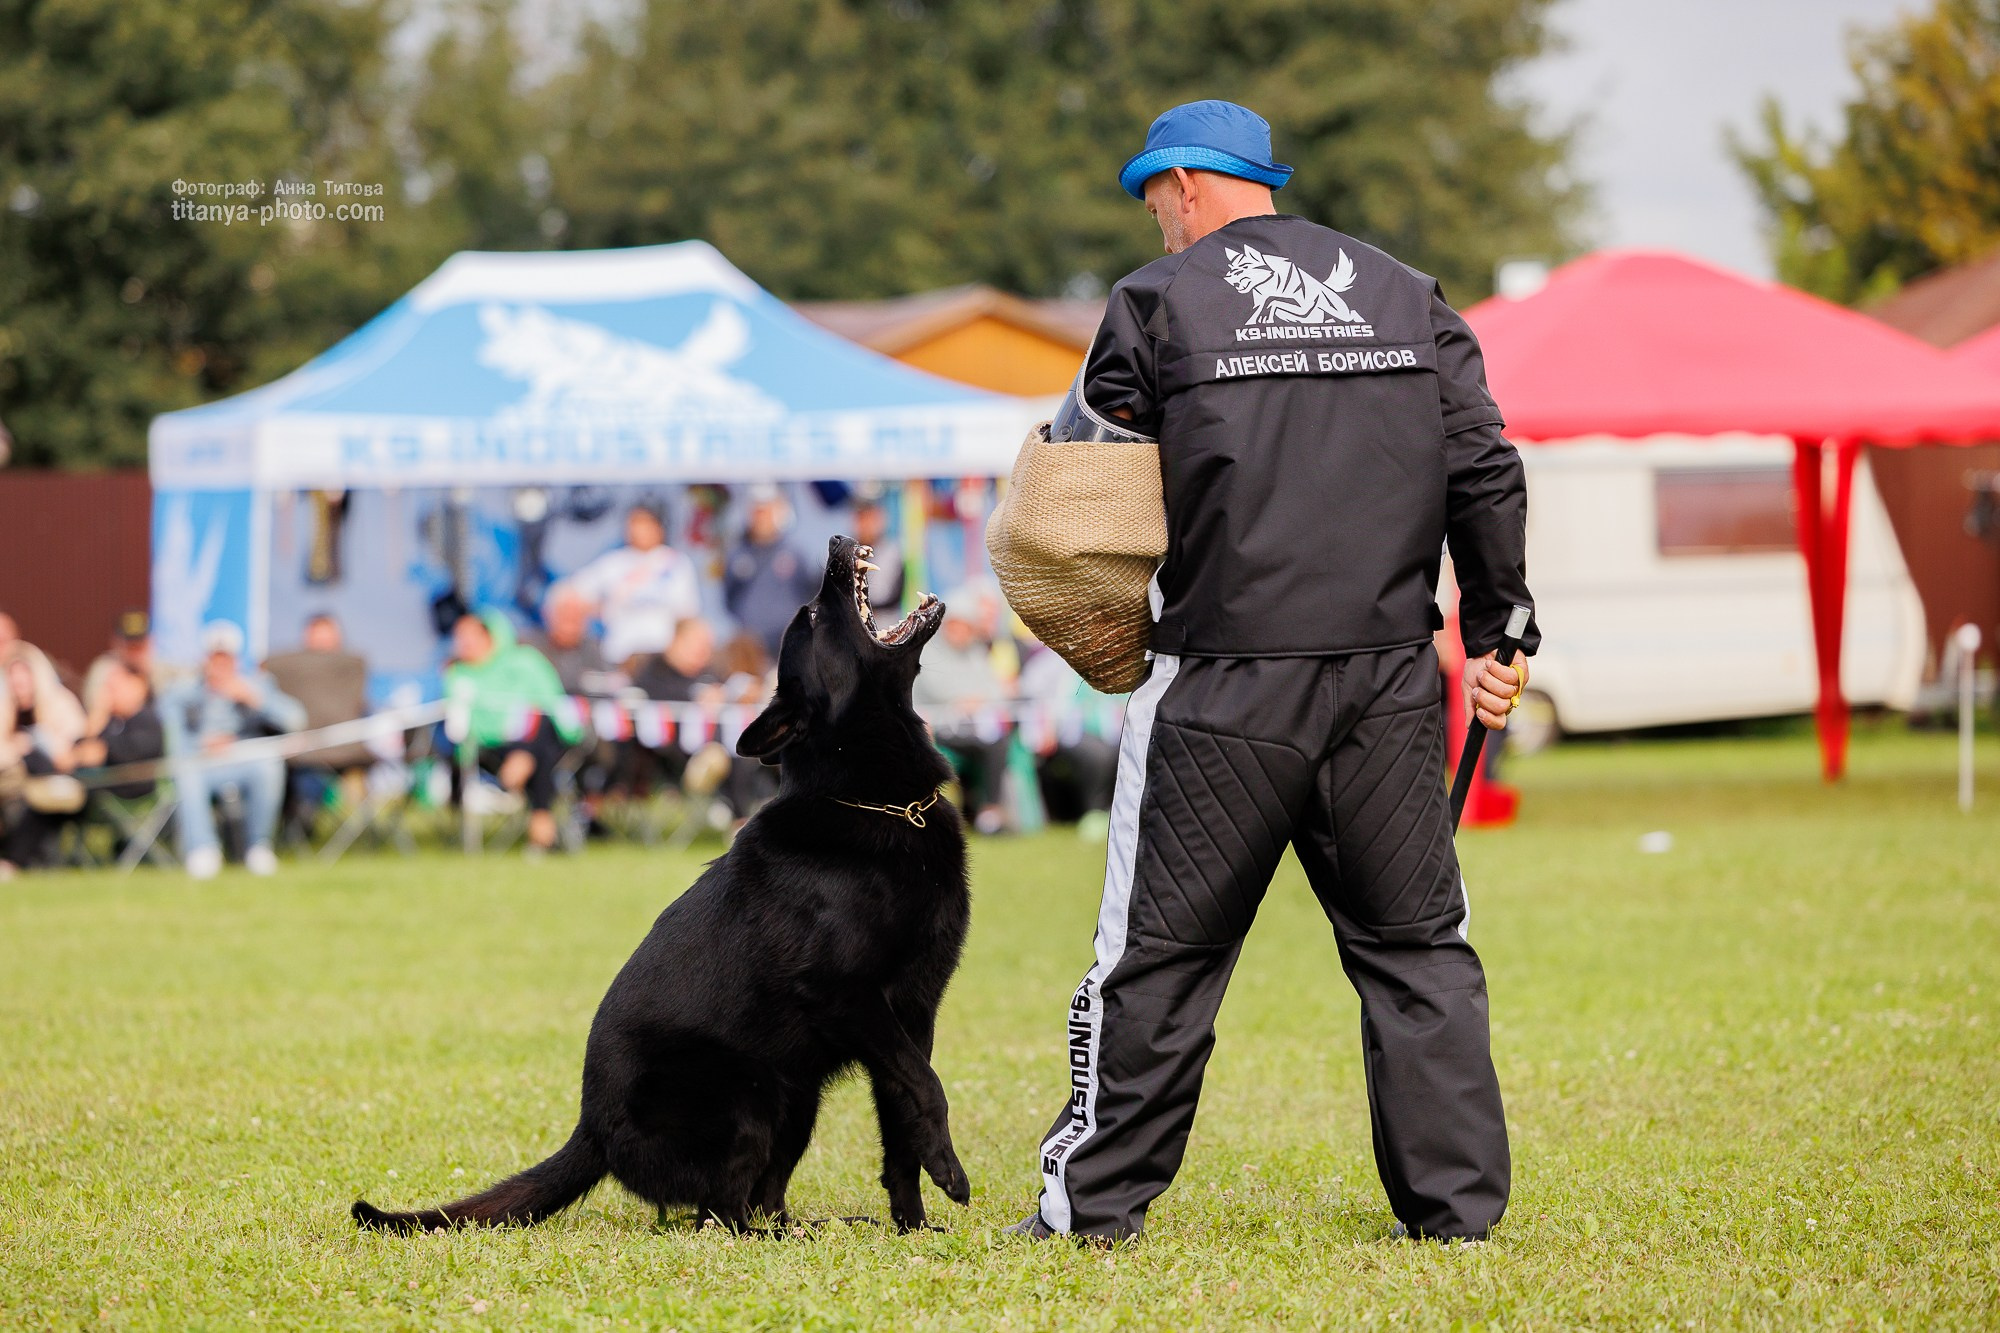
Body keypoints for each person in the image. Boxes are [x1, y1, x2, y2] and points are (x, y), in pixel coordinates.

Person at [1011, 101, 1536, 1246]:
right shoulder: (1408, 294)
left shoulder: (1153, 302)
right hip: (1387, 683)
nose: (1154, 221)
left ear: (1187, 184)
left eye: (1153, 198)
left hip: (1222, 686)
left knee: (1154, 958)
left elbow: (1071, 492)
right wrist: (1499, 631)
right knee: (1416, 950)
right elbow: (1485, 467)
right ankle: (1455, 1216)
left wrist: (1097, 618)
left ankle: (1089, 1208)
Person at [160, 621, 307, 879]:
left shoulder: (256, 685)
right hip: (201, 763)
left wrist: (254, 699)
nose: (219, 665)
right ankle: (203, 849)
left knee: (268, 764)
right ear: (205, 660)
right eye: (214, 658)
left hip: (243, 759)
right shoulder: (185, 691)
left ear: (236, 660)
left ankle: (258, 846)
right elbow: (170, 733)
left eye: (225, 658)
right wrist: (201, 744)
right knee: (186, 770)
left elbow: (296, 719)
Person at [444, 611, 584, 854]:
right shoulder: (458, 675)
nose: (463, 643)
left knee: (539, 726)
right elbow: (462, 727)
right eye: (459, 636)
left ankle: (520, 778)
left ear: (490, 636)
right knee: (537, 742)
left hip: (544, 738)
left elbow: (553, 702)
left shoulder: (525, 661)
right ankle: (541, 817)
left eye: (470, 635)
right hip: (491, 750)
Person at [913, 597, 1013, 835]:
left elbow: (996, 688)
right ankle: (987, 813)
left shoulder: (976, 653)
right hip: (936, 729)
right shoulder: (928, 653)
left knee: (997, 743)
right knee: (990, 745)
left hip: (972, 728)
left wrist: (975, 701)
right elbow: (939, 690)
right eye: (956, 626)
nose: (961, 632)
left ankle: (990, 813)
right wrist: (970, 699)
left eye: (966, 627)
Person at [560, 501, 702, 669]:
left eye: (645, 523)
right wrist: (601, 609)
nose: (638, 530)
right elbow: (571, 592)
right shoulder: (614, 563)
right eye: (634, 523)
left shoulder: (676, 563)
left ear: (659, 527)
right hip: (620, 654)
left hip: (661, 657)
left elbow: (687, 614)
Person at [263, 614, 374, 828]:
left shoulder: (350, 665)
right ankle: (298, 823)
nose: (322, 643)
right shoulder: (290, 668)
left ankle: (299, 824)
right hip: (303, 749)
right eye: (318, 636)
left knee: (305, 777)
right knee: (299, 775)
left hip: (337, 747)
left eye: (327, 636)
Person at [0, 643, 89, 872]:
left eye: (23, 681)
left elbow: (72, 754)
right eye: (14, 682)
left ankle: (13, 862)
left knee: (35, 799)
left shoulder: (60, 705)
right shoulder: (6, 711)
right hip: (14, 786)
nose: (19, 688)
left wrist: (34, 744)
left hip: (61, 786)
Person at [723, 484, 817, 654]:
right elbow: (729, 597)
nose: (761, 519)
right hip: (751, 644)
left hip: (788, 640)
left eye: (766, 511)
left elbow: (809, 594)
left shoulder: (794, 553)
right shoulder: (737, 554)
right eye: (757, 512)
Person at [72, 660, 166, 800]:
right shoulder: (112, 721)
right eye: (108, 688)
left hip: (134, 792)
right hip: (103, 790)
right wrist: (97, 717)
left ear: (138, 684)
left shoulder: (147, 719)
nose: (109, 694)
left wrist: (104, 749)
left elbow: (133, 753)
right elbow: (81, 750)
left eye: (115, 687)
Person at [527, 586, 612, 696]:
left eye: (577, 614)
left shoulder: (593, 648)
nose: (571, 619)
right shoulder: (531, 649)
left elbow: (608, 684)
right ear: (547, 613)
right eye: (565, 612)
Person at [82, 610, 161, 713]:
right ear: (116, 643)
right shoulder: (105, 668)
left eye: (139, 645)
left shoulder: (159, 667)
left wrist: (145, 678)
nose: (135, 652)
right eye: (130, 646)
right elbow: (93, 711)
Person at [851, 484, 906, 610]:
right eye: (862, 517)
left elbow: (896, 596)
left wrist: (866, 608)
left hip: (884, 619)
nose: (866, 524)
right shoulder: (843, 552)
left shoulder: (893, 553)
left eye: (870, 517)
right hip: (850, 619)